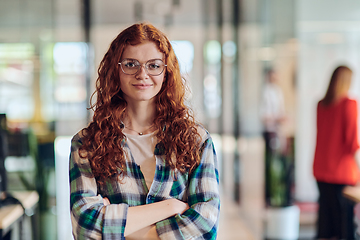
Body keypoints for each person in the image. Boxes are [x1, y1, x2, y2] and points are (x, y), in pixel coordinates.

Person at [69, 22, 220, 240]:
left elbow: (206, 224)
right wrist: (169, 207)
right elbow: (85, 227)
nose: (142, 74)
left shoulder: (196, 140)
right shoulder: (87, 144)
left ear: (166, 72)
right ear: (116, 70)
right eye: (131, 64)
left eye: (154, 65)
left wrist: (119, 227)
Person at [313, 65, 359, 239]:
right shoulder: (349, 105)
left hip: (321, 171)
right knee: (344, 227)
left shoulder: (321, 106)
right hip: (342, 174)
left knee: (326, 224)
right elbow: (352, 143)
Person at [259, 69, 286, 206]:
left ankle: (275, 195)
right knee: (269, 163)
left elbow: (280, 110)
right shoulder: (265, 92)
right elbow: (264, 115)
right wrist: (276, 118)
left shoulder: (277, 91)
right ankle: (268, 195)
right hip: (268, 131)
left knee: (277, 163)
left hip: (277, 130)